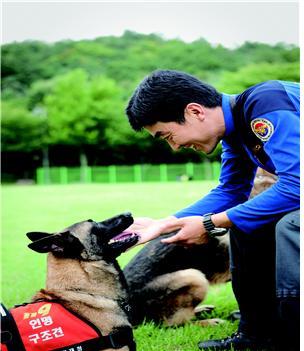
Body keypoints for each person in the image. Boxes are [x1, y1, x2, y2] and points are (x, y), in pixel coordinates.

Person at [125, 70, 300, 351]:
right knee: (246, 226)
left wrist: (208, 223)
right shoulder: (236, 132)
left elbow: (297, 185)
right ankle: (256, 335)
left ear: (194, 111)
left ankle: (293, 336)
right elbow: (230, 191)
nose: (176, 147)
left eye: (168, 135)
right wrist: (165, 223)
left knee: (291, 225)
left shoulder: (266, 102)